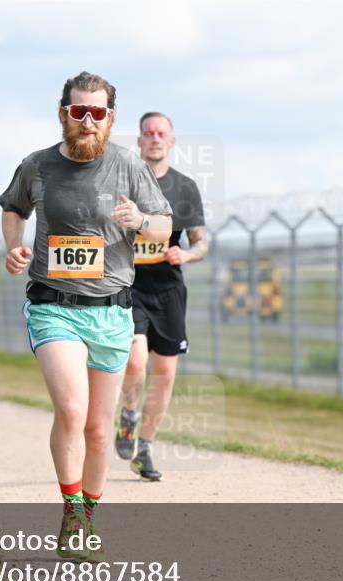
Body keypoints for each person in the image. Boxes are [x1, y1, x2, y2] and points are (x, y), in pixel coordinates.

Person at [0, 71, 172, 560]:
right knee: (71, 411)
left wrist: (140, 221)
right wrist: (14, 247)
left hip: (112, 312)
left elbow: (163, 226)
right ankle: (71, 509)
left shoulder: (129, 166)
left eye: (98, 113)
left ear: (110, 118)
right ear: (64, 113)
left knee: (98, 429)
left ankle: (86, 519)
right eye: (80, 112)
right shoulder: (37, 166)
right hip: (54, 307)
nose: (88, 121)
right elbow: (13, 209)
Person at [114, 112, 208, 481]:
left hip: (168, 288)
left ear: (171, 141)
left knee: (165, 374)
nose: (154, 138)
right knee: (136, 361)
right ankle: (129, 416)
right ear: (139, 141)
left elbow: (200, 242)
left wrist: (185, 254)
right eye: (148, 133)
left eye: (161, 133)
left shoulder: (184, 187)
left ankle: (145, 447)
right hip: (129, 284)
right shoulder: (123, 182)